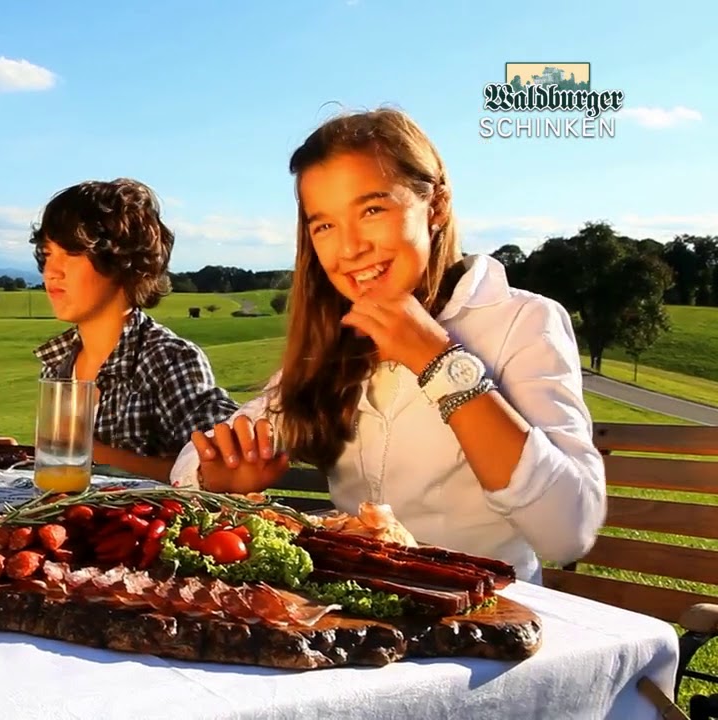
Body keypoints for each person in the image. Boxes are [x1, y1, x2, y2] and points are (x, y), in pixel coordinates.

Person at [169, 109, 606, 584]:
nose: (349, 248)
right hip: (357, 613)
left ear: (435, 207)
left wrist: (438, 361)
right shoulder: (333, 337)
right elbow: (194, 460)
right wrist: (222, 479)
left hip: (491, 614)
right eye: (324, 226)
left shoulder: (524, 321)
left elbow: (569, 533)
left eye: (372, 210)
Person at [31, 178, 240, 482]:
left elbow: (219, 468)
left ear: (122, 260)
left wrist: (90, 452)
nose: (51, 271)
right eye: (48, 254)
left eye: (71, 253)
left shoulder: (169, 360)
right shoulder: (58, 364)